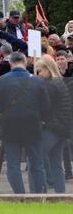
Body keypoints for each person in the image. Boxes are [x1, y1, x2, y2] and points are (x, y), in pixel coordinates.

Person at [0, 51, 50, 194]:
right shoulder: (37, 81)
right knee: (37, 164)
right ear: (25, 62)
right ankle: (39, 195)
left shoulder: (2, 80)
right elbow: (46, 107)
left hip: (10, 127)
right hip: (33, 126)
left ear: (10, 63)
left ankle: (20, 195)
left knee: (13, 165)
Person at [35, 55, 72, 194]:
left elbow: (44, 108)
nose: (39, 74)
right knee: (56, 163)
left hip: (52, 127)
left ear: (47, 69)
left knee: (37, 158)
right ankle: (60, 195)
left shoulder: (50, 85)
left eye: (40, 71)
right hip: (63, 127)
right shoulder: (59, 82)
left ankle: (39, 193)